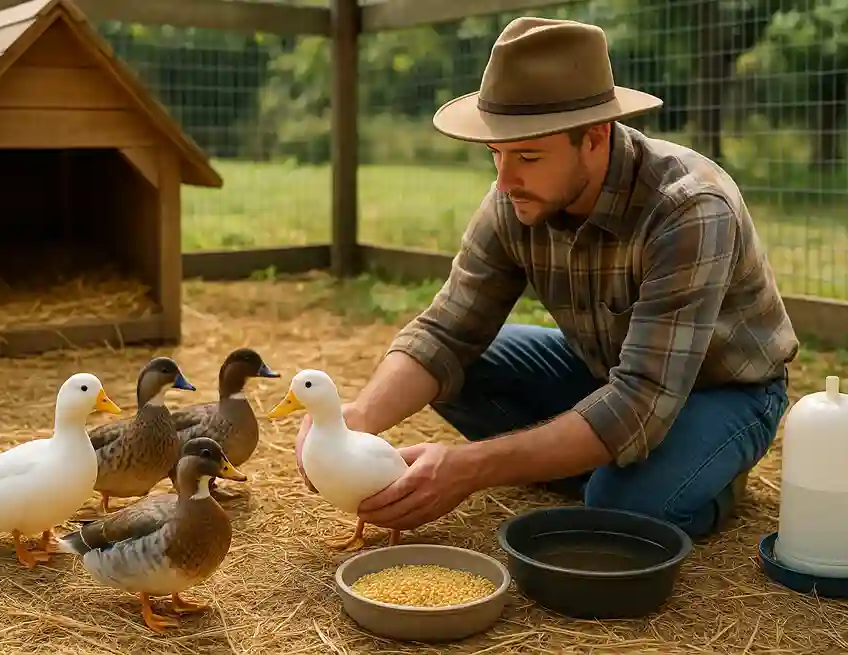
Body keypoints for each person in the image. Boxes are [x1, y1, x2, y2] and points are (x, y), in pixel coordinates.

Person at [293, 17, 799, 539]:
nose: (504, 181)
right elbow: (445, 331)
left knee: (615, 510)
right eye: (496, 154)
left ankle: (702, 474)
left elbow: (641, 400)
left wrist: (471, 468)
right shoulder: (515, 195)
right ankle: (590, 452)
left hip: (721, 390)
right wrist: (353, 420)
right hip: (607, 371)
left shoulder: (688, 208)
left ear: (596, 137)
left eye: (528, 156)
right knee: (457, 368)